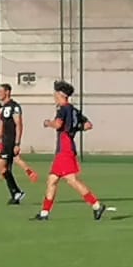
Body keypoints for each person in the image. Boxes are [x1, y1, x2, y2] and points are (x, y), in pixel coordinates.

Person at [35, 81, 105, 221]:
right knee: (52, 180)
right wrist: (75, 128)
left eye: (55, 93)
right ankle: (44, 213)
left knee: (71, 180)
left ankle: (96, 205)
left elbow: (58, 124)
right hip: (66, 147)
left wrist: (48, 123)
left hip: (64, 148)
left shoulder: (63, 109)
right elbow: (88, 125)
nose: (54, 96)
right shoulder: (74, 110)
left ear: (61, 94)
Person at [0, 84, 39, 204]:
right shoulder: (2, 108)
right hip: (5, 141)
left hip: (10, 142)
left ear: (7, 92)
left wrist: (17, 143)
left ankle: (16, 192)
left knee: (1, 167)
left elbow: (19, 124)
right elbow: (1, 126)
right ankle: (16, 193)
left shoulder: (15, 107)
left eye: (0, 91)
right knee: (4, 168)